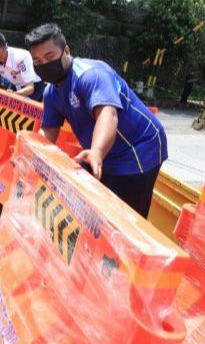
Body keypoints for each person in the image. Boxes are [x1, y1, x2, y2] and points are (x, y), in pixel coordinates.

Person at [25, 23, 167, 218]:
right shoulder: (51, 93)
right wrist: (32, 154)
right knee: (92, 207)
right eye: (37, 61)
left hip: (139, 147)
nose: (44, 65)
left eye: (49, 57)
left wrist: (97, 152)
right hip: (102, 151)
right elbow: (49, 131)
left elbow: (107, 114)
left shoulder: (91, 75)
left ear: (66, 51)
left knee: (125, 217)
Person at [0, 31, 45, 102]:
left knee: (20, 109)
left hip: (34, 86)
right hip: (15, 85)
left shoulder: (21, 57)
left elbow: (30, 88)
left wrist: (14, 95)